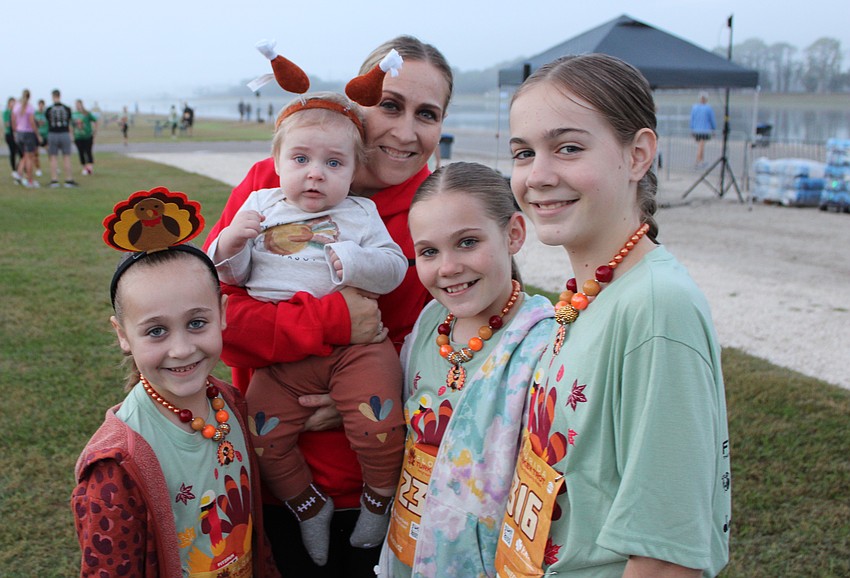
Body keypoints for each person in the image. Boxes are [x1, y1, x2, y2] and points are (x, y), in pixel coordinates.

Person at [203, 34, 452, 577]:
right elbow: (212, 318)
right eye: (390, 104)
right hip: (270, 474)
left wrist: (356, 393)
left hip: (379, 475)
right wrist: (337, 319)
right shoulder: (274, 184)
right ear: (359, 102)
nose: (405, 131)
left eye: (427, 114)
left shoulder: (438, 212)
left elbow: (435, 350)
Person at [493, 53, 731, 577]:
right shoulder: (586, 290)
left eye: (569, 148)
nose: (538, 175)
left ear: (638, 155)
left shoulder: (655, 308)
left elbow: (668, 555)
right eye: (523, 152)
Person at [71, 188, 280, 577]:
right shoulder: (115, 466)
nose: (182, 349)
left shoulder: (230, 402)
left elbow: (253, 528)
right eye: (156, 331)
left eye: (196, 323)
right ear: (122, 334)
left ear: (222, 314)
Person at [376, 162, 555, 577]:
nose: (448, 267)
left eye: (468, 242)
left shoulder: (542, 345)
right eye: (429, 252)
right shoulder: (427, 326)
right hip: (407, 552)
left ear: (513, 234)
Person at [45, 89, 77, 188]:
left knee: (53, 157)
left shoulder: (49, 109)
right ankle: (68, 179)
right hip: (64, 134)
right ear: (60, 96)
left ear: (52, 96)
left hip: (53, 134)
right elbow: (69, 122)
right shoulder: (67, 109)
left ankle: (54, 180)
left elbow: (48, 121)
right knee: (66, 157)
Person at [12, 89, 40, 188]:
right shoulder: (29, 108)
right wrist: (37, 134)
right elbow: (32, 122)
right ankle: (29, 180)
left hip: (19, 133)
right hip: (28, 134)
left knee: (24, 156)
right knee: (30, 157)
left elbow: (13, 121)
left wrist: (15, 132)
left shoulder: (16, 107)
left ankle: (18, 176)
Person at [690, 91, 716, 167]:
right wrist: (713, 129)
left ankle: (701, 160)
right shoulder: (708, 108)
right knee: (701, 145)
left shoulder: (694, 107)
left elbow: (692, 119)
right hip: (705, 130)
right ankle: (698, 161)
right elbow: (712, 120)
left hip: (696, 130)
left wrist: (692, 129)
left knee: (701, 145)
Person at [72, 99, 97, 175]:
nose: (78, 106)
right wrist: (72, 135)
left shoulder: (86, 113)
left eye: (79, 104)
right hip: (78, 137)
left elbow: (95, 120)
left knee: (88, 151)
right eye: (76, 104)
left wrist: (94, 131)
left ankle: (90, 167)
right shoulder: (73, 114)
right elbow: (71, 125)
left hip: (87, 136)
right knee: (81, 152)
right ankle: (84, 167)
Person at [3, 97, 22, 182]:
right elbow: (7, 124)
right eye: (11, 103)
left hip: (17, 134)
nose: (13, 104)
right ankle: (14, 169)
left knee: (20, 152)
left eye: (14, 103)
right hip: (9, 134)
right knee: (12, 152)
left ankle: (19, 169)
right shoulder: (6, 112)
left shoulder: (16, 112)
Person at [34, 99, 48, 177]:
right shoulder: (35, 113)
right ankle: (38, 169)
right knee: (36, 153)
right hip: (37, 135)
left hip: (45, 135)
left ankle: (54, 167)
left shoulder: (46, 114)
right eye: (40, 104)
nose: (41, 106)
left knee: (49, 152)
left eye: (42, 105)